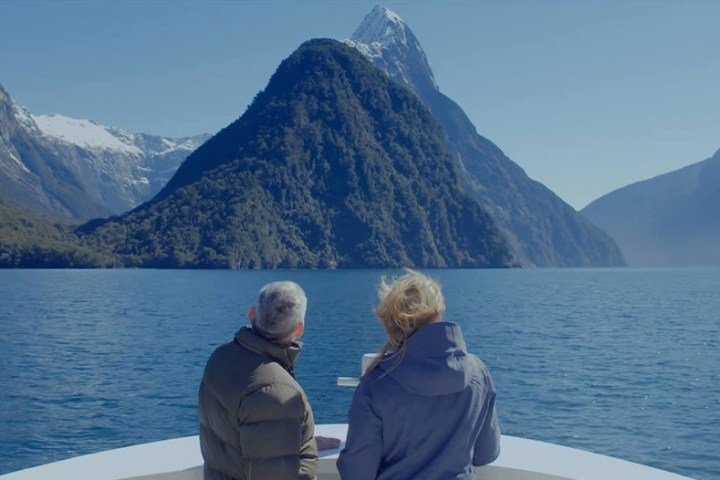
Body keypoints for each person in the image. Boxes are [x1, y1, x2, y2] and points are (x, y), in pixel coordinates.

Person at [337, 270, 501, 480]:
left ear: (392, 322)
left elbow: (357, 473)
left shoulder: (377, 384)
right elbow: (486, 453)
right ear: (439, 311)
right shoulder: (479, 372)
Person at [198, 280, 338, 480]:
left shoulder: (220, 357)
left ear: (252, 314)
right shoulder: (276, 392)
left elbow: (242, 435)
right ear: (299, 330)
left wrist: (295, 440)